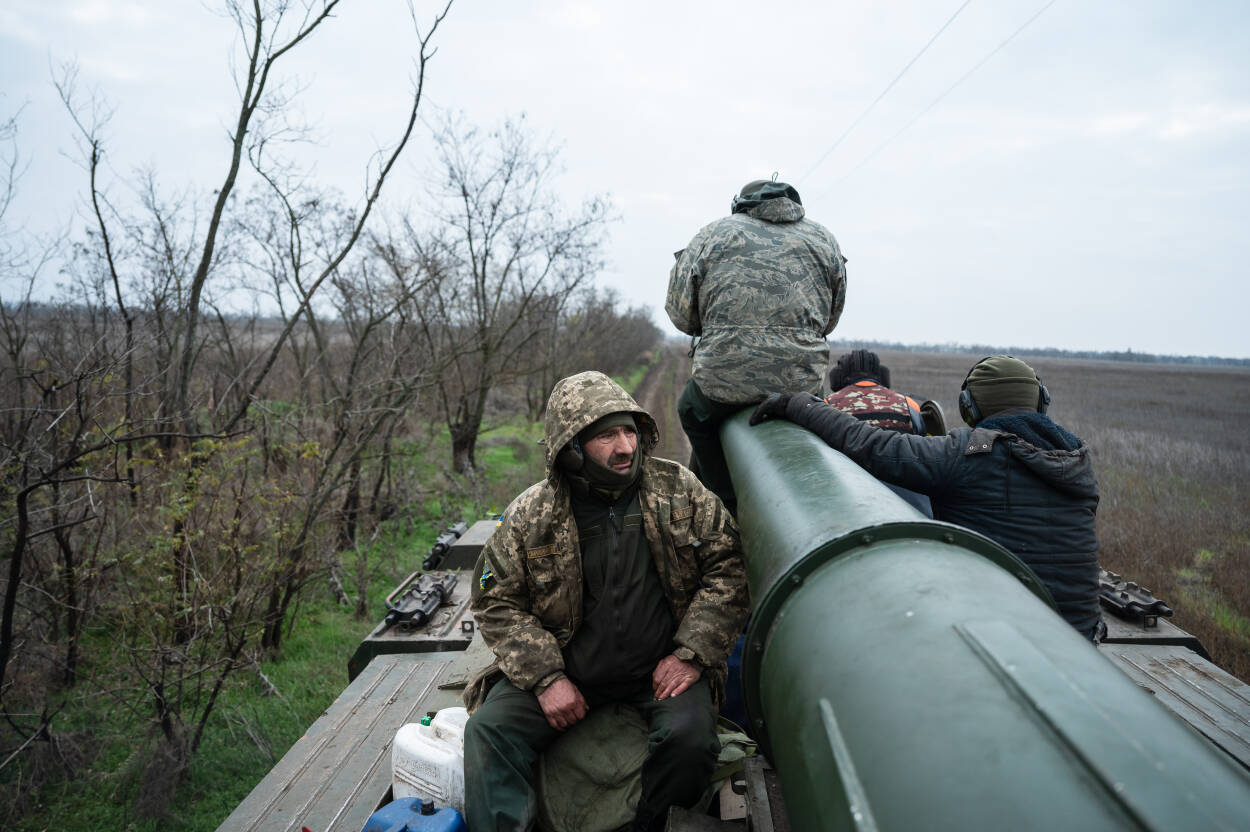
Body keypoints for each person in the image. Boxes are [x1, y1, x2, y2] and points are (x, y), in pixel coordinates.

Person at [463, 370, 750, 832]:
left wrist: (691, 654)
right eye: (606, 435)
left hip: (658, 671)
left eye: (630, 431)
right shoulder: (532, 513)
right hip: (568, 670)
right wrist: (545, 678)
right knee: (488, 733)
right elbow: (496, 601)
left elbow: (731, 569)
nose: (625, 447)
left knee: (692, 741)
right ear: (571, 449)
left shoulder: (677, 490)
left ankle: (650, 825)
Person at [750, 355, 1104, 640]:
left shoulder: (970, 455)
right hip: (1078, 634)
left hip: (1005, 632)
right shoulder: (1076, 459)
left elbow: (874, 446)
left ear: (970, 407)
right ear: (1041, 402)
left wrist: (800, 406)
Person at [666, 177, 847, 514]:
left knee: (691, 410)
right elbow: (830, 320)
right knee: (821, 420)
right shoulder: (824, 239)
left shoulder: (712, 234)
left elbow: (681, 317)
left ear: (741, 204)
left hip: (722, 383)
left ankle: (724, 499)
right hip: (800, 384)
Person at [825, 349, 933, 517]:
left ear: (838, 376)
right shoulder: (909, 405)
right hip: (904, 500)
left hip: (847, 497)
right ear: (882, 375)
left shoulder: (826, 405)